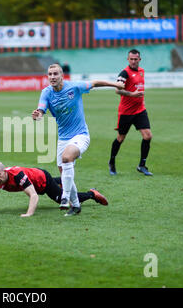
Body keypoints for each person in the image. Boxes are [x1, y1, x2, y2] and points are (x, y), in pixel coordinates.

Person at [32, 64, 124, 216]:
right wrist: (38, 115)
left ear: (62, 75)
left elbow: (94, 83)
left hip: (80, 135)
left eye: (55, 74)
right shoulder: (46, 93)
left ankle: (65, 197)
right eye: (50, 74)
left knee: (67, 158)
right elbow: (41, 110)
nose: (52, 77)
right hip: (63, 138)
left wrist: (115, 84)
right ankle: (75, 206)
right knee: (64, 173)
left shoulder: (73, 87)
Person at [0, 162, 108, 217]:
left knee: (63, 199)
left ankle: (92, 194)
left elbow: (33, 195)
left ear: (4, 171)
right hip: (35, 179)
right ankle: (63, 180)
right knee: (60, 185)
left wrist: (29, 214)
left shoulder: (18, 175)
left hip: (42, 180)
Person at [108, 49, 153, 177]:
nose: (133, 61)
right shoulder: (124, 73)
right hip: (126, 112)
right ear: (128, 59)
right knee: (120, 138)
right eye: (131, 59)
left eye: (136, 59)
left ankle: (142, 165)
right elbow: (117, 90)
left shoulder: (142, 71)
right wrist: (132, 94)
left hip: (140, 110)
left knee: (148, 136)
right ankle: (112, 162)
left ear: (139, 59)